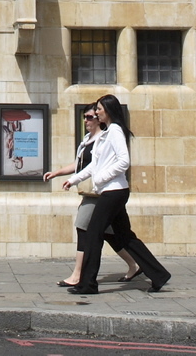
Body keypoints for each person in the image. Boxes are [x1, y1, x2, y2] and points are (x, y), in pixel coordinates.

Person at [61, 94, 171, 295]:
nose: (96, 113)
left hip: (114, 192)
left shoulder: (115, 131)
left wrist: (102, 178)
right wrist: (74, 179)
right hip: (111, 191)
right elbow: (95, 165)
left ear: (109, 111)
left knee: (94, 233)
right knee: (125, 237)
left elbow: (124, 161)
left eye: (100, 109)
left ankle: (88, 284)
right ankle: (159, 274)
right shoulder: (106, 133)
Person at [43, 101, 144, 288]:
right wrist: (60, 174)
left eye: (90, 116)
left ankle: (79, 275)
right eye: (85, 117)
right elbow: (81, 166)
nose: (86, 120)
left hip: (99, 193)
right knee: (113, 234)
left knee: (84, 229)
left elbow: (117, 162)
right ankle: (136, 264)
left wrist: (100, 178)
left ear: (98, 118)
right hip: (93, 191)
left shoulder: (104, 137)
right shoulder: (86, 141)